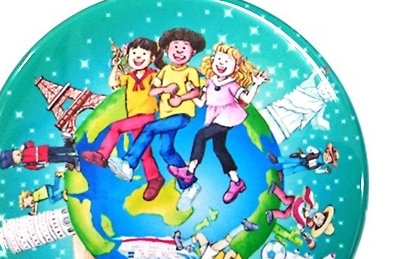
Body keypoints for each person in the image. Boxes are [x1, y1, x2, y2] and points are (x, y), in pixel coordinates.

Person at [168, 43, 269, 207]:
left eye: (227, 61)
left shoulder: (232, 84)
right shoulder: (210, 82)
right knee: (219, 148)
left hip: (228, 116)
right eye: (219, 59)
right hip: (216, 117)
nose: (221, 63)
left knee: (201, 136)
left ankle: (189, 171)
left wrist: (256, 84)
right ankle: (236, 182)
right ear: (213, 60)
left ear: (236, 67)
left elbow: (247, 99)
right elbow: (201, 102)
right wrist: (190, 90)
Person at [107, 28, 205, 195]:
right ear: (167, 50)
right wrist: (165, 89)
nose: (179, 51)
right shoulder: (165, 71)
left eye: (184, 48)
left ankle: (129, 164)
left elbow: (196, 91)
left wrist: (181, 98)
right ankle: (189, 185)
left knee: (149, 128)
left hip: (181, 115)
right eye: (175, 47)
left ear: (193, 52)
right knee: (165, 151)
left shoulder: (190, 71)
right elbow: (152, 91)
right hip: (166, 116)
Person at [81, 37, 165, 201]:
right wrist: (116, 66)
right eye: (134, 53)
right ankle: (155, 179)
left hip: (147, 116)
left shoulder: (153, 75)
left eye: (143, 54)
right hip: (133, 116)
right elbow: (113, 83)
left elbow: (162, 83)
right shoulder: (130, 77)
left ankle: (102, 155)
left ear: (152, 58)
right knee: (144, 152)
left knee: (117, 127)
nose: (138, 57)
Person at [265, 181, 335, 249]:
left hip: (293, 211)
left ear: (316, 225)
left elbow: (299, 225)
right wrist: (307, 209)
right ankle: (275, 188)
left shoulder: (307, 222)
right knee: (286, 200)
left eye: (319, 223)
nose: (319, 220)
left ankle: (271, 214)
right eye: (322, 218)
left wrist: (302, 231)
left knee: (285, 215)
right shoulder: (315, 207)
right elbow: (309, 197)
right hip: (297, 201)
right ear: (323, 214)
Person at [0, 140, 78, 171]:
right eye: (15, 157)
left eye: (15, 152)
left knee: (59, 150)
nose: (17, 154)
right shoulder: (26, 164)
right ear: (16, 162)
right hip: (45, 159)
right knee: (59, 158)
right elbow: (35, 167)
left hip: (45, 149)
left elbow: (31, 143)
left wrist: (25, 144)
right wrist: (43, 166)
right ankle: (72, 159)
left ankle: (71, 149)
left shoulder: (24, 149)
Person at [268, 142, 339, 176]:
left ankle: (281, 173)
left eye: (329, 160)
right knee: (291, 159)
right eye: (328, 156)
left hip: (305, 167)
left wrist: (324, 171)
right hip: (303, 159)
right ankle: (276, 160)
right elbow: (309, 147)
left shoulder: (320, 164)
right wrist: (307, 153)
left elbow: (317, 171)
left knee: (294, 169)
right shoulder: (318, 153)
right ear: (326, 152)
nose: (327, 158)